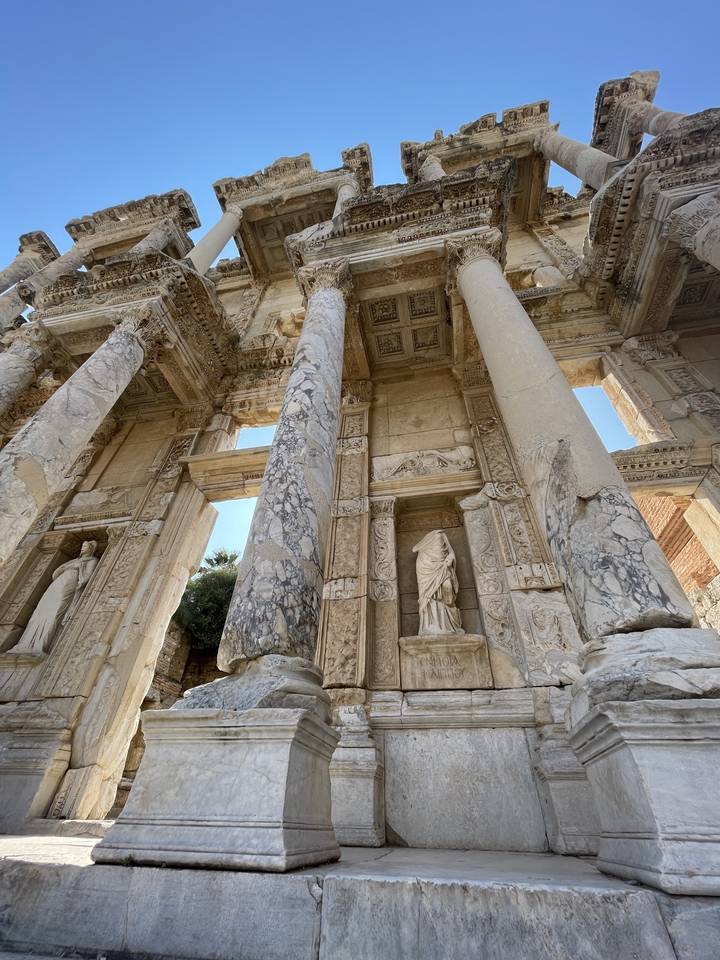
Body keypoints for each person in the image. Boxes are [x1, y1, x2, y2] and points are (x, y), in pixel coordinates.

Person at [11, 540, 98, 655]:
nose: (82, 548)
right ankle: (26, 642)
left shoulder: (92, 560)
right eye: (82, 546)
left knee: (56, 612)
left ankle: (41, 644)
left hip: (70, 585)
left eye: (85, 546)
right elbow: (55, 573)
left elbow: (88, 576)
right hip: (58, 584)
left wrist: (79, 570)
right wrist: (67, 567)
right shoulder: (73, 561)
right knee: (41, 610)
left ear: (91, 549)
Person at [412, 530, 464, 636]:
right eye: (437, 542)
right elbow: (421, 569)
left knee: (448, 588)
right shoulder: (424, 554)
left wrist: (450, 558)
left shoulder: (443, 540)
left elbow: (451, 553)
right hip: (429, 575)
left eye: (441, 542)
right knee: (429, 597)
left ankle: (451, 625)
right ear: (430, 543)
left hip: (443, 568)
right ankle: (430, 626)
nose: (440, 544)